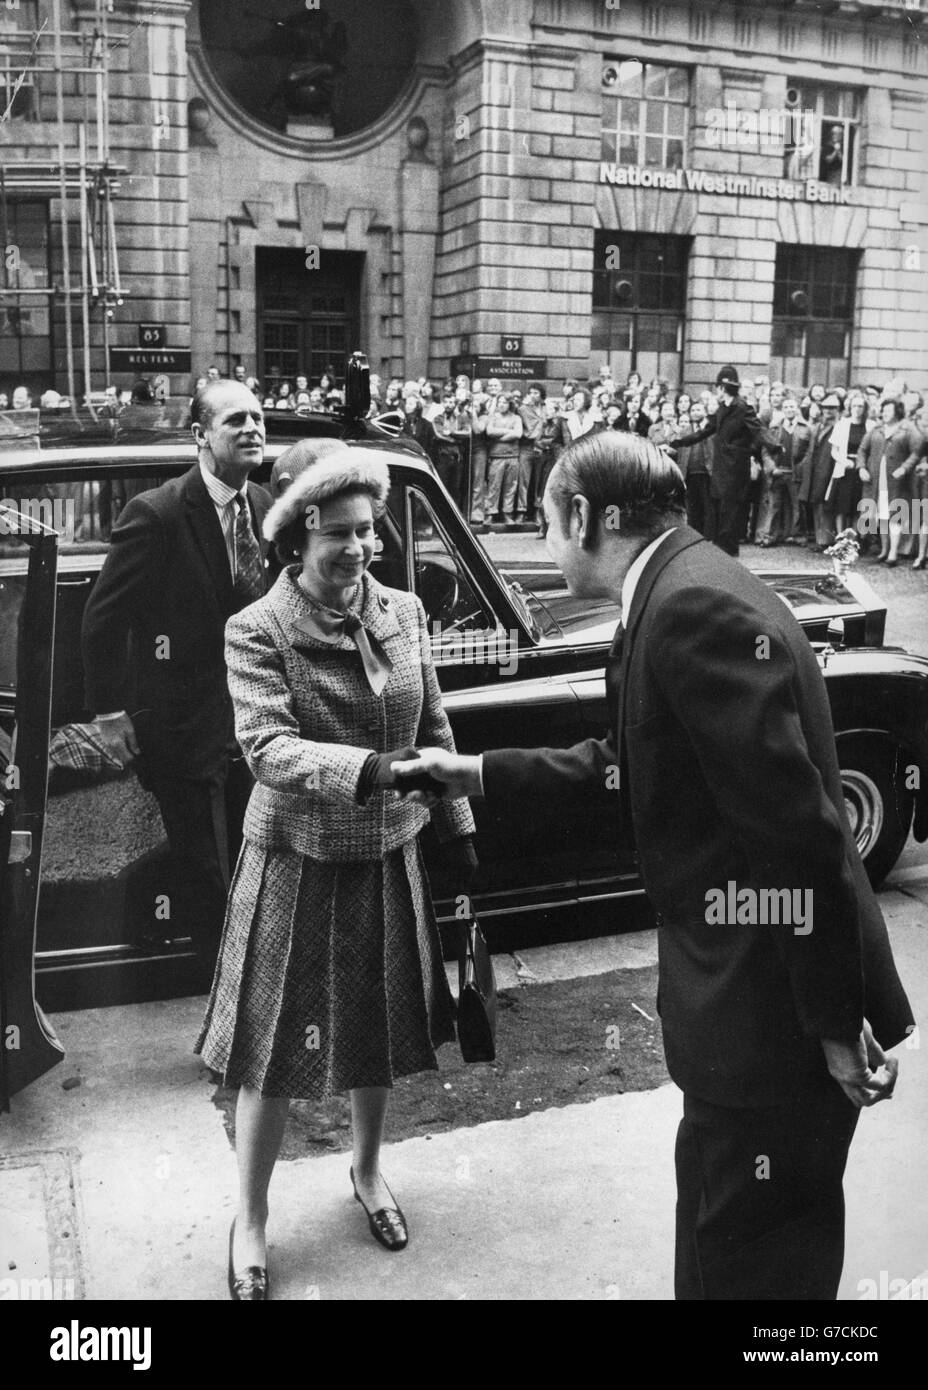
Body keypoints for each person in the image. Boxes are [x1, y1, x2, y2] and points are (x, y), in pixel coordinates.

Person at [396, 429, 913, 1302]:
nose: (545, 542)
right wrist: (472, 772)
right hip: (753, 1009)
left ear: (592, 516)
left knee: (753, 1268)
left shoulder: (690, 609)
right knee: (727, 1244)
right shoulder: (683, 583)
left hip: (767, 1019)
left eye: (553, 522)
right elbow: (634, 765)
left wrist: (830, 1023)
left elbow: (800, 842)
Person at [195, 451, 476, 1299]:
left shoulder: (406, 610)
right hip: (297, 857)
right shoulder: (257, 629)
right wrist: (374, 771)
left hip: (389, 851)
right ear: (295, 540)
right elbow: (267, 749)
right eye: (340, 536)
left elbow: (432, 716)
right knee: (270, 1051)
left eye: (369, 531)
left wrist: (457, 825)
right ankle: (251, 1216)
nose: (362, 549)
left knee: (378, 1031)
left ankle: (366, 1171)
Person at [81, 382, 273, 984]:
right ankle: (228, 1023)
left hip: (255, 724)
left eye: (257, 418)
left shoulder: (265, 507)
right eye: (235, 419)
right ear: (201, 436)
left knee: (251, 866)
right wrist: (110, 714)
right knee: (210, 878)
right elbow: (102, 621)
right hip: (184, 732)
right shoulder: (158, 513)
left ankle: (252, 1000)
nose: (251, 428)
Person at [671, 365, 766, 557]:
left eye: (718, 388)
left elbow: (758, 431)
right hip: (722, 467)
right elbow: (705, 431)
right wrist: (678, 442)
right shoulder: (722, 409)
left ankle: (729, 551)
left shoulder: (743, 407)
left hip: (736, 469)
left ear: (722, 388)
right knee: (722, 510)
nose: (717, 392)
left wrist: (773, 447)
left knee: (731, 511)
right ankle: (725, 551)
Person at [857, 397, 922, 566]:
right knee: (881, 517)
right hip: (876, 482)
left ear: (897, 411)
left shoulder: (907, 429)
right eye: (883, 410)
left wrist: (904, 468)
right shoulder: (876, 430)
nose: (885, 413)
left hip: (897, 483)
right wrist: (862, 468)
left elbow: (917, 451)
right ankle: (884, 550)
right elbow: (862, 450)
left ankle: (893, 553)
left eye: (889, 410)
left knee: (896, 517)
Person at [755, 394, 810, 547]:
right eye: (786, 407)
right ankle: (769, 537)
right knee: (774, 506)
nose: (789, 409)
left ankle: (798, 536)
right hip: (778, 473)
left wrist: (800, 468)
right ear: (782, 410)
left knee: (797, 506)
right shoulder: (774, 428)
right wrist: (772, 468)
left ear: (797, 409)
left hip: (795, 473)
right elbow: (765, 451)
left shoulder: (806, 429)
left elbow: (808, 452)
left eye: (792, 406)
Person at [673, 398, 713, 537]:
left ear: (705, 412)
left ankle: (708, 536)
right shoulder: (685, 431)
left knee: (707, 506)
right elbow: (681, 453)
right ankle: (693, 535)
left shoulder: (710, 429)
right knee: (692, 507)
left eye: (699, 409)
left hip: (707, 473)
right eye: (693, 410)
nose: (696, 413)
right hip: (689, 474)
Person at [485, 392, 524, 525]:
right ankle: (490, 513)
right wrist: (509, 433)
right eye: (500, 402)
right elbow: (489, 432)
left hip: (512, 456)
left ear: (510, 404)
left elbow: (518, 433)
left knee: (510, 487)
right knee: (494, 486)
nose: (502, 405)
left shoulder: (516, 418)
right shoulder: (492, 417)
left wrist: (499, 437)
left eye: (505, 402)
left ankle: (507, 513)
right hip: (496, 456)